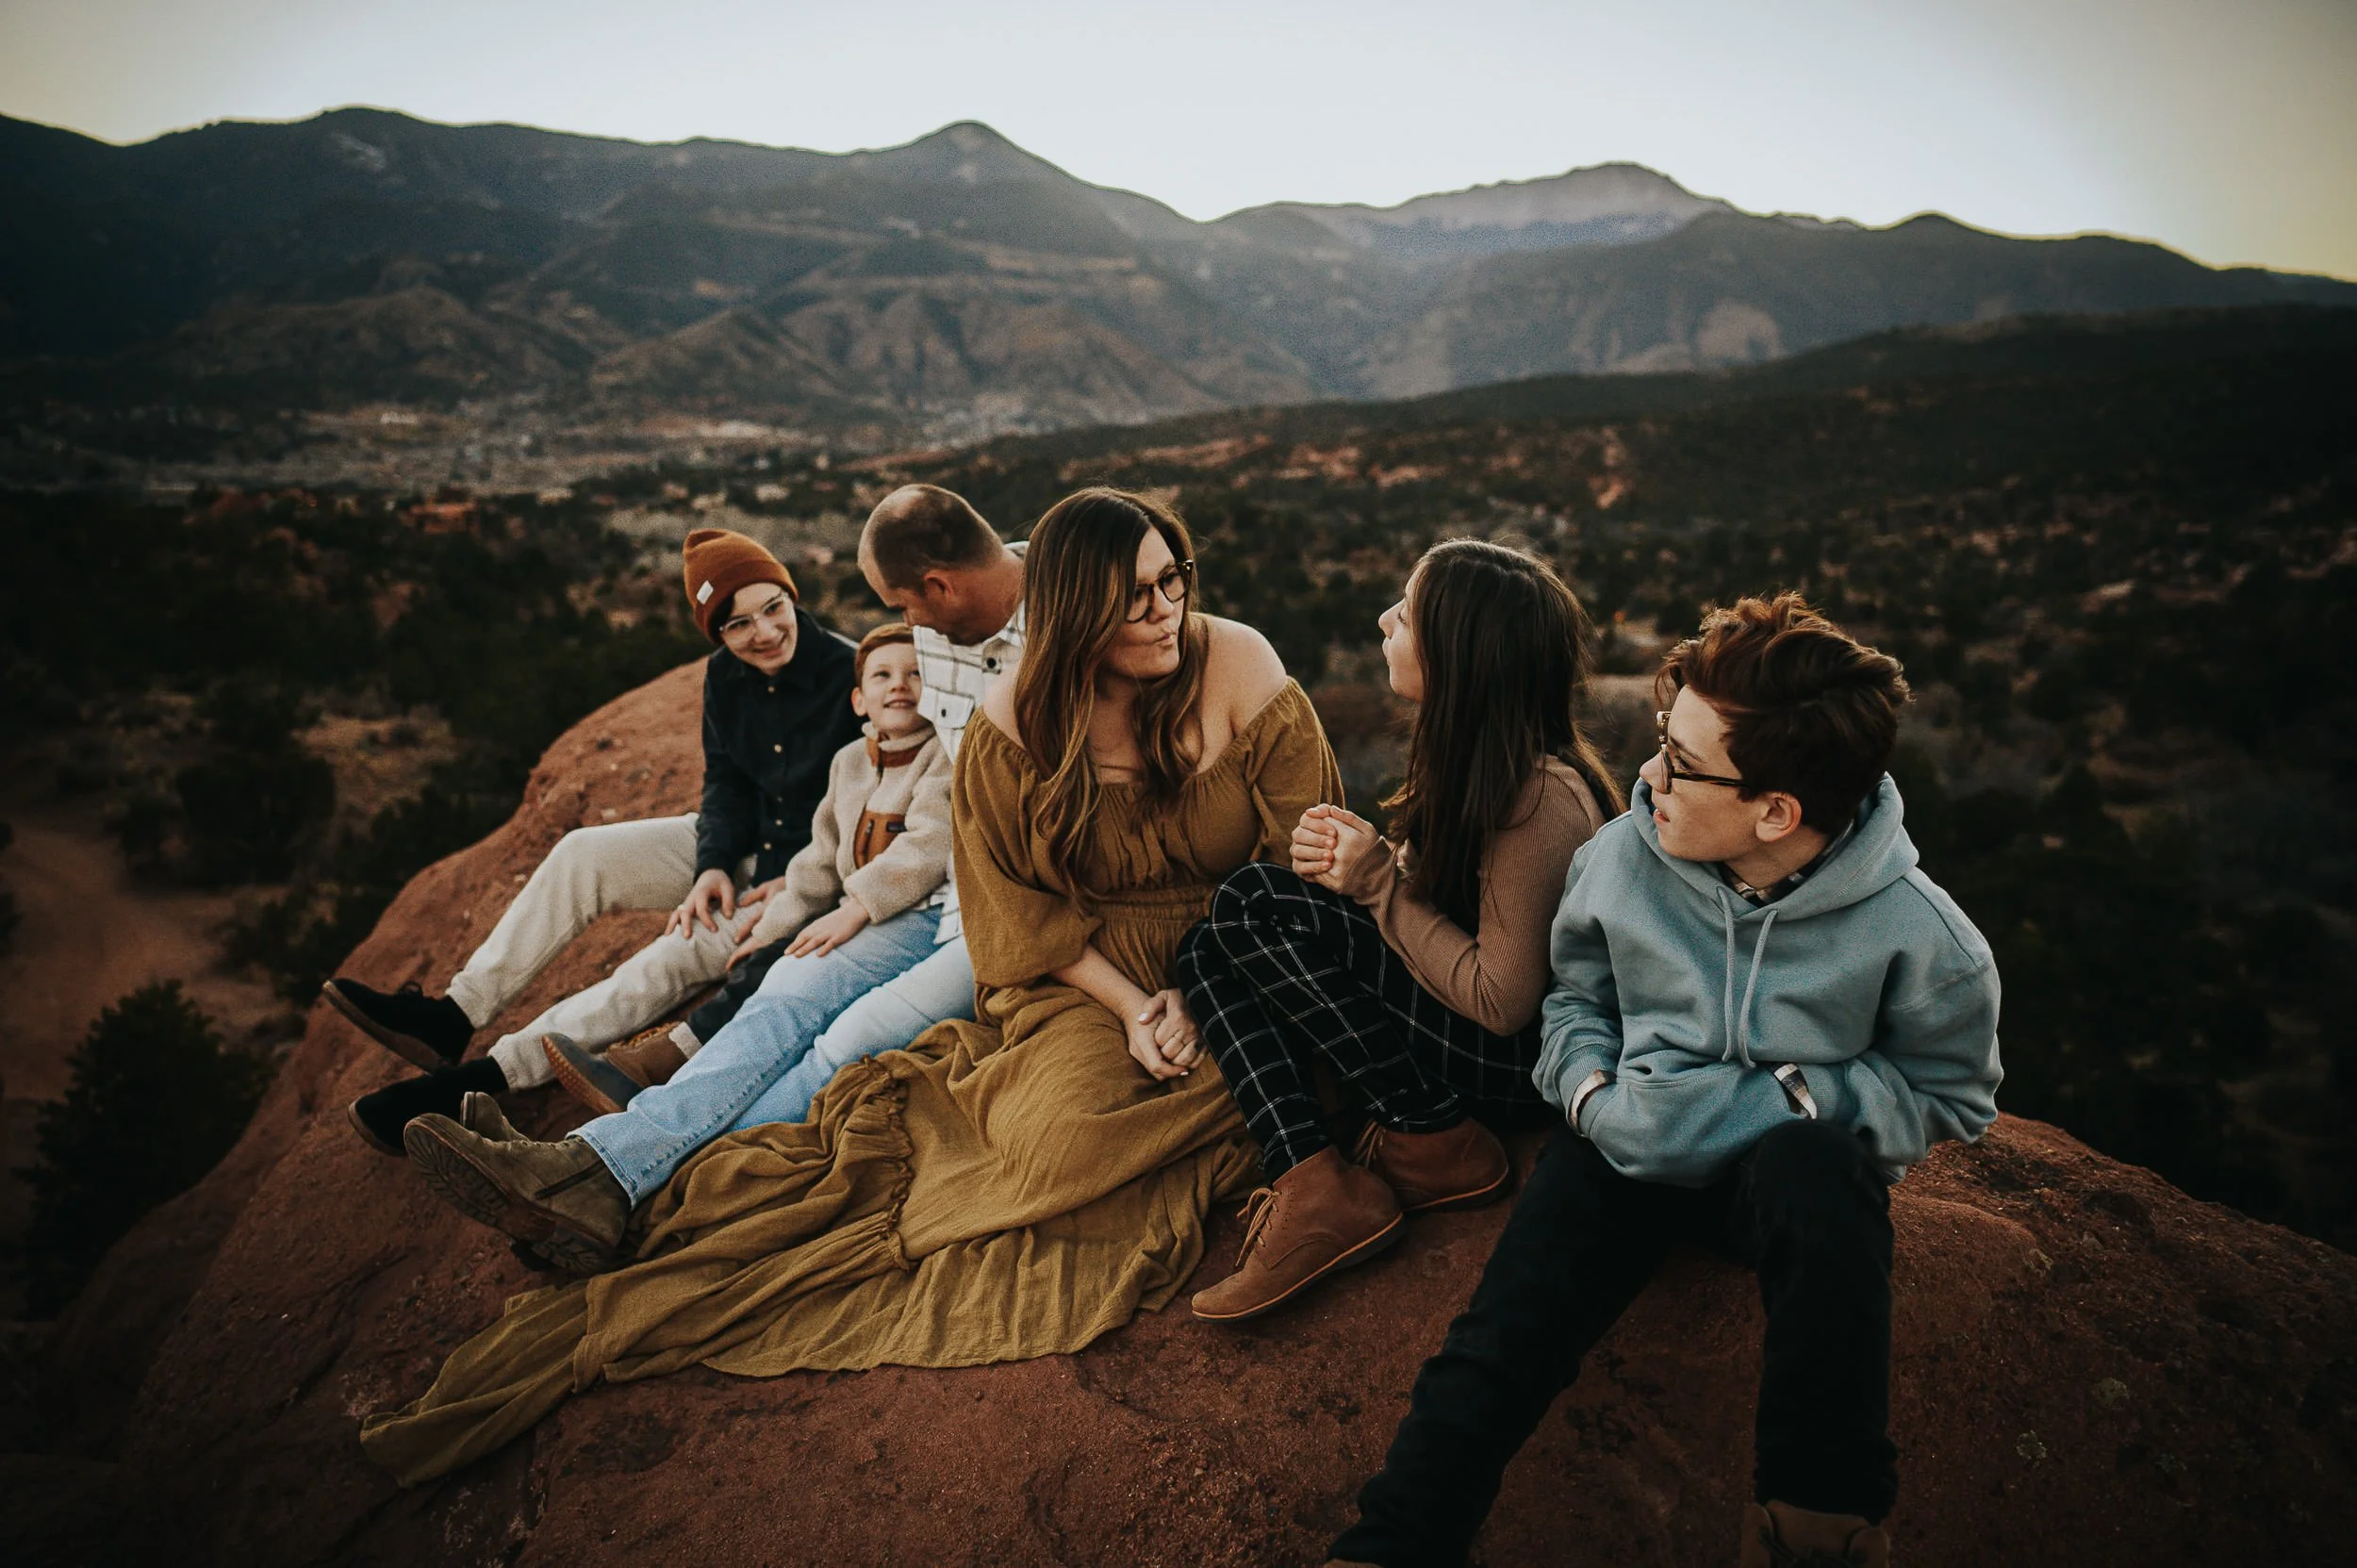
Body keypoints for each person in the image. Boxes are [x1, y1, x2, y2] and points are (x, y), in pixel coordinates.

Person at [357, 486, 1341, 1486]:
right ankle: (601, 1177)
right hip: (1060, 950)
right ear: (1076, 608)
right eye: (1135, 595)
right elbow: (1016, 906)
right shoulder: (1011, 711)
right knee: (829, 1012)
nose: (1163, 608)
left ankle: (631, 1189)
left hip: (1226, 950)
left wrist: (1200, 985)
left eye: (1171, 580)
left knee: (885, 1061)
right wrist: (1130, 1005)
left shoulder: (1237, 662)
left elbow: (1298, 862)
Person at [1323, 594, 2003, 1568]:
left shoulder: (1921, 935)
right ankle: (1391, 1544)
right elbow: (1572, 1001)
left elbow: (1952, 1090)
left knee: (1820, 1174)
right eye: (1659, 739)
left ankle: (1814, 1536)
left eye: (1682, 764)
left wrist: (1798, 1099)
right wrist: (1593, 1092)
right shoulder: (1621, 858)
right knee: (1501, 1330)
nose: (1648, 776)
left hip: (1772, 1182)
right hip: (1627, 1147)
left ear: (1776, 809)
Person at [404, 623, 956, 1272]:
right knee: (768, 999)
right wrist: (775, 919)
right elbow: (817, 861)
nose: (901, 685)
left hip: (915, 916)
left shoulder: (945, 751)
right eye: (884, 675)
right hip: (860, 915)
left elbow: (929, 843)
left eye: (916, 674)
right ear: (859, 698)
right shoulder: (851, 761)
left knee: (784, 1012)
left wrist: (857, 909)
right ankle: (607, 1172)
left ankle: (598, 1167)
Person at [1178, 538, 1621, 1322]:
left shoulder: (1539, 797)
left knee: (1248, 900)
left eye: (1407, 613)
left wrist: (1377, 882)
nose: (1386, 618)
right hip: (1464, 1025)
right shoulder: (1477, 760)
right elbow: (1437, 914)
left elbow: (1502, 1000)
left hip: (1511, 1067)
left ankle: (1431, 1133)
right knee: (1205, 942)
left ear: (1459, 654)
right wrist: (1369, 866)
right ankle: (1312, 1178)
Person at [330, 528, 863, 1152]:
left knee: (665, 958)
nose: (765, 632)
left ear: (793, 596)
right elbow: (725, 782)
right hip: (744, 849)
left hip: (807, 879)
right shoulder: (725, 675)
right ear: (717, 635)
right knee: (583, 853)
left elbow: (880, 806)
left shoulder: (853, 675)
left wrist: (805, 882)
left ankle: (483, 1077)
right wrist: (711, 864)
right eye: (737, 624)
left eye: (774, 607)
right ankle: (451, 1016)